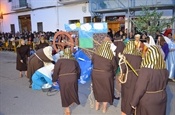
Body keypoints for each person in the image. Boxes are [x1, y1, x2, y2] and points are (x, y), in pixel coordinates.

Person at [130, 45, 169, 115]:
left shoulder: (145, 70)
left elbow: (140, 88)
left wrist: (134, 102)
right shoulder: (165, 69)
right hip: (162, 98)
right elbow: (165, 84)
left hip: (148, 100)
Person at [91, 40, 117, 113]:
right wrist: (113, 74)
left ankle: (97, 105)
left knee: (97, 89)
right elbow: (114, 66)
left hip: (96, 74)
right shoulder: (111, 55)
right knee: (106, 90)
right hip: (106, 75)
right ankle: (104, 108)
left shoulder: (95, 53)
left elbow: (92, 62)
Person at [52, 48, 81, 115]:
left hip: (63, 78)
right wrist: (78, 77)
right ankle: (73, 101)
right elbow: (79, 70)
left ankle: (67, 110)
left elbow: (56, 71)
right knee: (73, 90)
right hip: (73, 77)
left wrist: (54, 80)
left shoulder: (60, 61)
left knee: (64, 93)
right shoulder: (74, 61)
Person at [119, 41, 142, 115]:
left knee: (126, 96)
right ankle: (133, 110)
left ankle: (125, 112)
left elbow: (123, 69)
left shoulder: (125, 56)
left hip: (128, 78)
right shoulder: (139, 56)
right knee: (135, 95)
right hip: (138, 78)